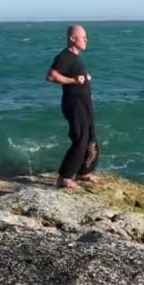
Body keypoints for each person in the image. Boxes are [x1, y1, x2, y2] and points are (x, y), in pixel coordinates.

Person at [46, 25, 100, 188]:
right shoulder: (65, 56)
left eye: (86, 37)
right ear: (72, 38)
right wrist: (73, 81)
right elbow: (51, 76)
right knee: (80, 139)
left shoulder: (76, 58)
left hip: (84, 104)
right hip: (74, 104)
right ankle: (65, 177)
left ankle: (84, 172)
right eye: (83, 37)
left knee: (91, 140)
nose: (86, 40)